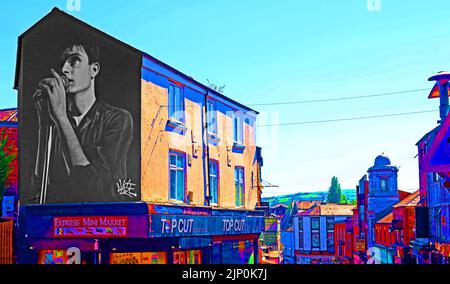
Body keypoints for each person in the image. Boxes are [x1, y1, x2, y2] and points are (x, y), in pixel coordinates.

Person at [31, 42, 134, 203]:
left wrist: (61, 118)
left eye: (74, 60)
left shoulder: (117, 119)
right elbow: (39, 183)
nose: (65, 69)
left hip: (103, 221)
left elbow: (92, 187)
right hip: (59, 220)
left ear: (94, 69)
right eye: (62, 63)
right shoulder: (56, 120)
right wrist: (45, 124)